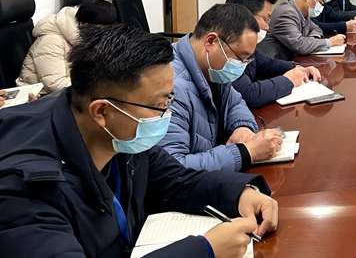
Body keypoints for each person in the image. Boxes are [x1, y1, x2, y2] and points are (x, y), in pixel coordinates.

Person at [0, 24, 278, 258]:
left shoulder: (118, 131)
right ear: (102, 111)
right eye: (158, 105)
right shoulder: (24, 189)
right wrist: (203, 250)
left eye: (169, 100)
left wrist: (240, 194)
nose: (166, 114)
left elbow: (175, 181)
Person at [159, 4, 283, 172]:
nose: (242, 66)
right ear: (211, 41)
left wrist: (242, 127)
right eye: (240, 58)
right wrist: (247, 153)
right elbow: (173, 169)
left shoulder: (211, 68)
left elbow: (235, 102)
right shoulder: (169, 87)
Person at [225, 0, 321, 110]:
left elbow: (267, 64)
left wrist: (298, 68)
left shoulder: (246, 43)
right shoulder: (225, 46)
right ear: (245, 15)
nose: (267, 26)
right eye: (265, 19)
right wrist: (289, 80)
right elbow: (249, 95)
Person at [16, 0, 117, 95]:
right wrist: (99, 81)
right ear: (83, 24)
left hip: (71, 92)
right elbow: (55, 85)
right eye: (100, 30)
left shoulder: (91, 38)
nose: (104, 34)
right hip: (38, 96)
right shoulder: (51, 41)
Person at [258, 0, 346, 61]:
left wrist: (312, 37)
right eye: (320, 2)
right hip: (274, 65)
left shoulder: (302, 12)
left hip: (291, 60)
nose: (320, 6)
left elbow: (316, 28)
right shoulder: (286, 13)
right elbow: (300, 45)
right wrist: (330, 42)